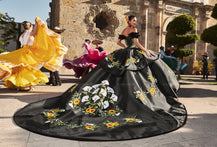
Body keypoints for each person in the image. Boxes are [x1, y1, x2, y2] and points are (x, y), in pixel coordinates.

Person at [13, 15, 187, 141]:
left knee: (118, 75)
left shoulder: (124, 30)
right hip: (133, 53)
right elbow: (138, 44)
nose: (135, 23)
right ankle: (138, 98)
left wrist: (126, 47)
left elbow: (119, 43)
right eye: (134, 20)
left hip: (123, 53)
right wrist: (145, 51)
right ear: (131, 22)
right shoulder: (133, 30)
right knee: (140, 74)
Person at [0, 17, 68, 90]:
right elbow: (35, 32)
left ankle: (19, 84)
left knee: (20, 68)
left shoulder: (21, 35)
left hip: (22, 51)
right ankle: (24, 85)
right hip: (28, 52)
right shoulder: (29, 33)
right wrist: (36, 23)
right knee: (28, 68)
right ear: (30, 26)